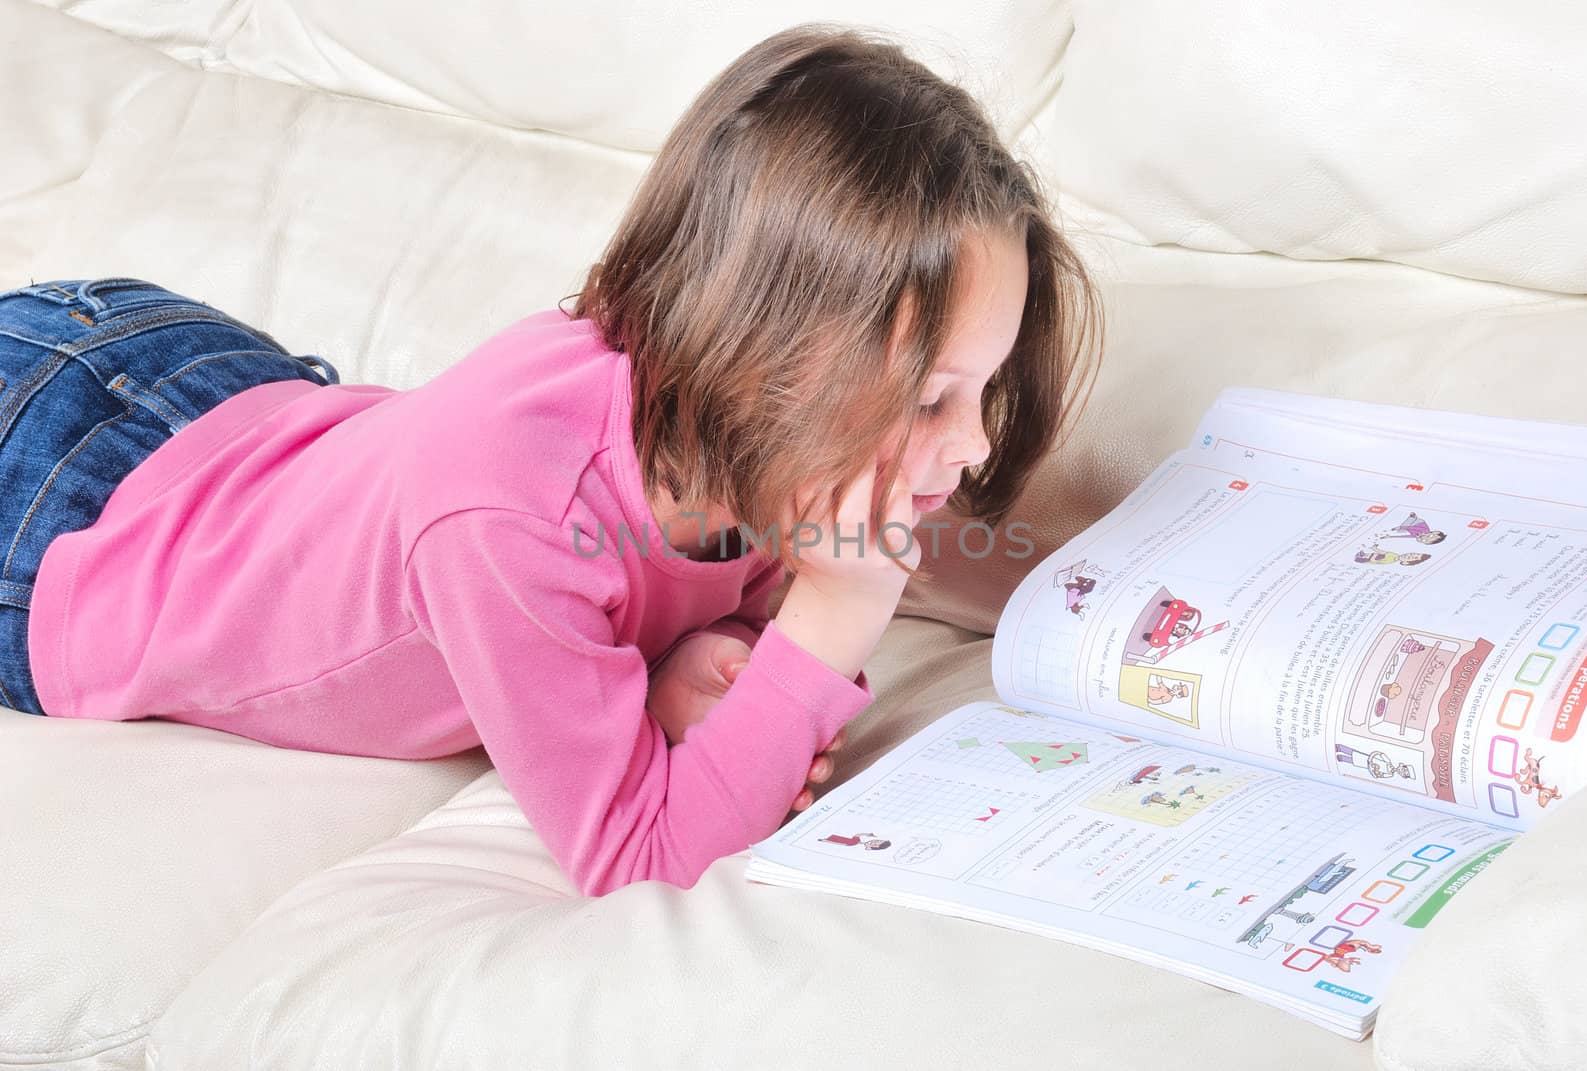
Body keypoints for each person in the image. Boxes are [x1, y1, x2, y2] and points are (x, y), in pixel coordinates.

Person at [0, 25, 1102, 897]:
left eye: (980, 391)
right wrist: (833, 612)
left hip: (199, 386)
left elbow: (690, 588)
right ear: (764, 349)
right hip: (54, 512)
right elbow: (642, 859)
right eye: (928, 400)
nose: (965, 452)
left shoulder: (740, 436)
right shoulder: (511, 518)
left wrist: (699, 651)